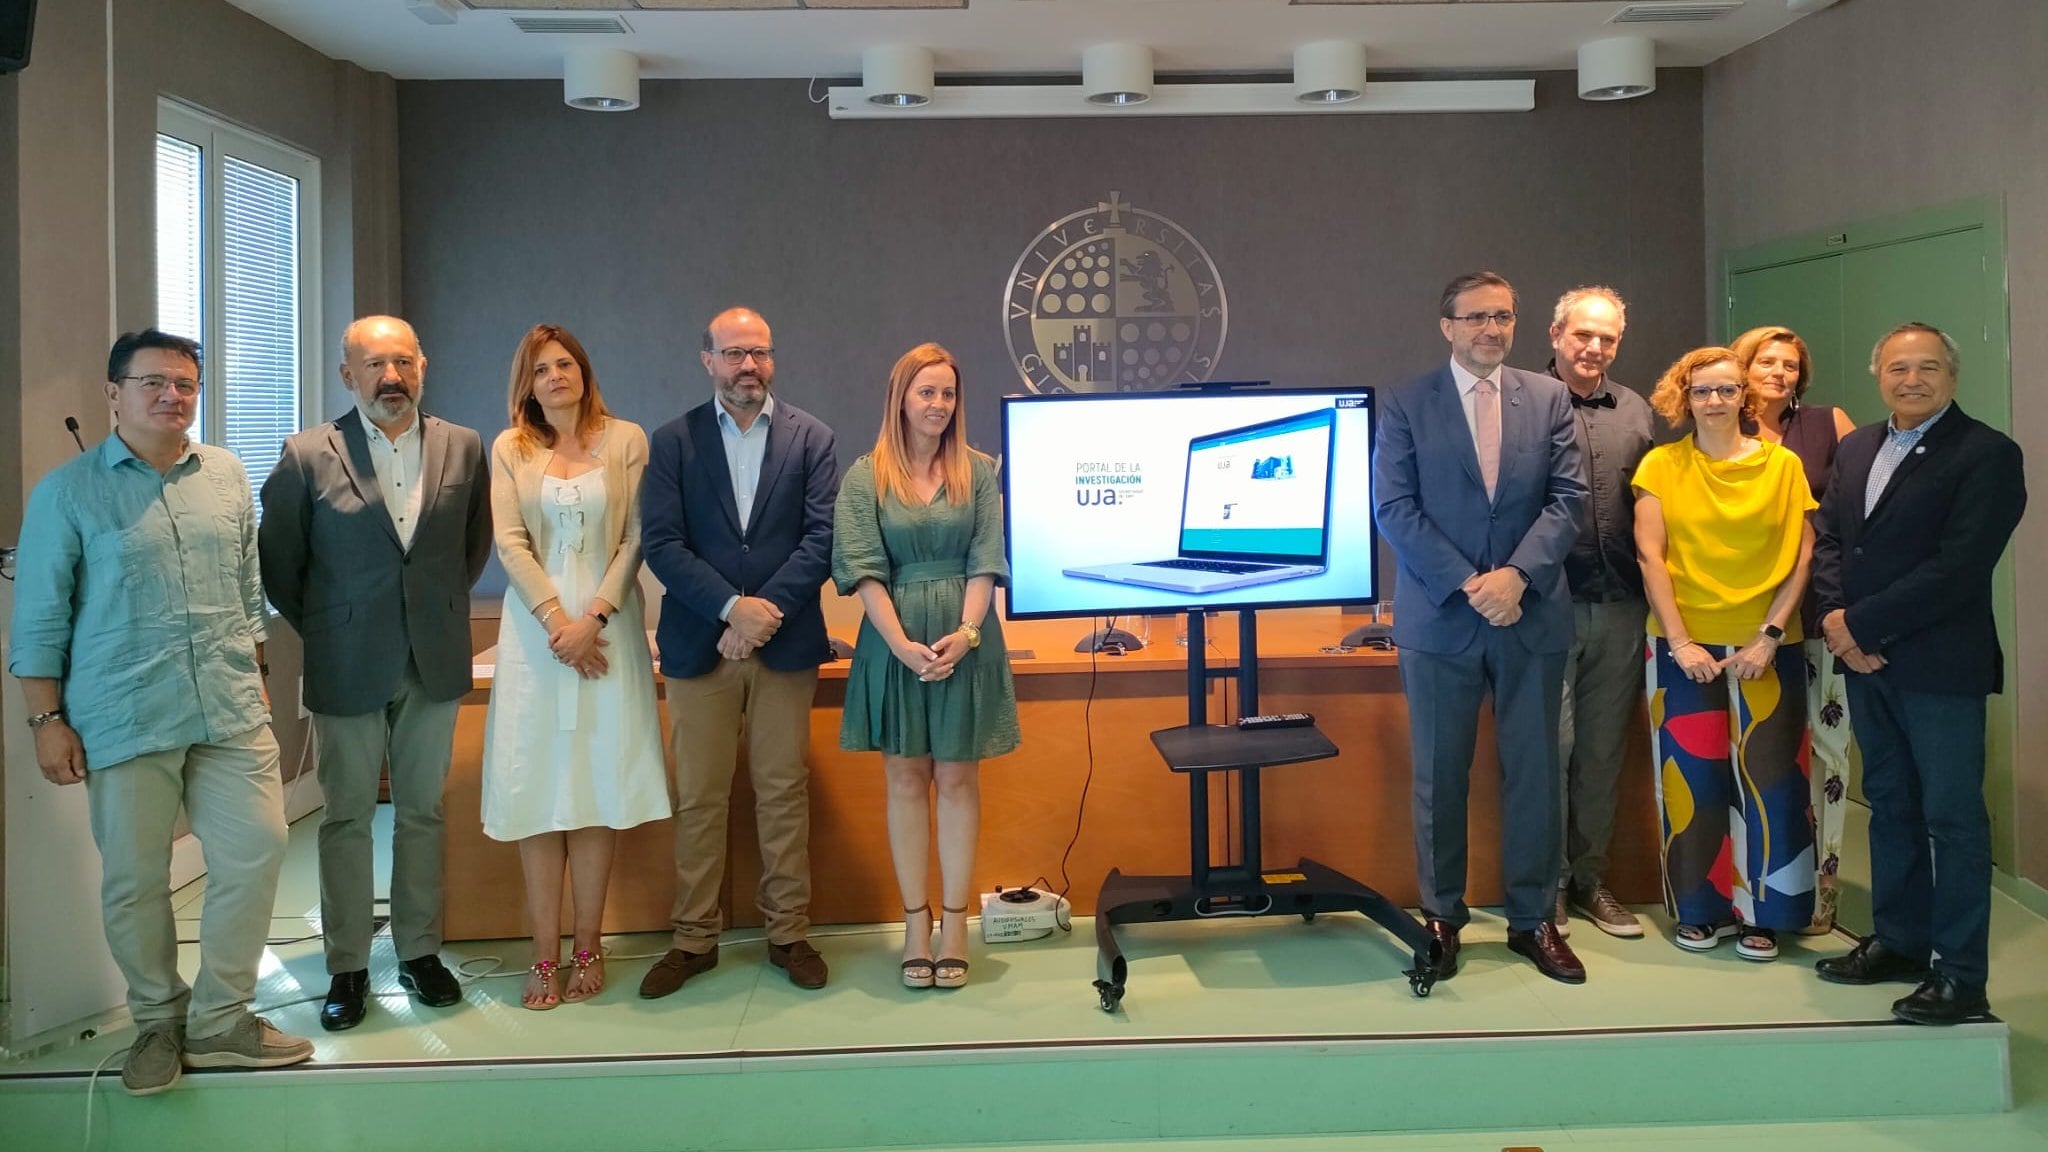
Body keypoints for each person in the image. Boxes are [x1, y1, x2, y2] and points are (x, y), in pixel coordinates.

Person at [8, 330, 311, 1095]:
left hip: (229, 706)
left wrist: (258, 674)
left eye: (185, 383)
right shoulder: (68, 492)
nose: (172, 396)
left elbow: (249, 593)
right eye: (153, 382)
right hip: (123, 712)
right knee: (136, 880)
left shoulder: (228, 477)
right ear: (113, 394)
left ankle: (220, 1019)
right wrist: (46, 722)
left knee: (257, 848)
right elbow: (39, 619)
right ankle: (155, 1020)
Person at [259, 315, 492, 1031]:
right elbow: (281, 567)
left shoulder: (463, 446)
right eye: (373, 365)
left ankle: (420, 954)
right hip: (345, 663)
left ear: (423, 366)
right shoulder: (306, 454)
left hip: (434, 659)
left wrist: (430, 613)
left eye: (403, 363)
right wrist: (337, 627)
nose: (391, 377)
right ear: (346, 375)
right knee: (347, 818)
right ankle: (348, 968)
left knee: (422, 812)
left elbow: (471, 547)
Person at [1374, 271, 1589, 985]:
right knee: (1439, 776)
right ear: (1447, 326)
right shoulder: (1408, 402)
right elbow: (1395, 508)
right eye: (1475, 318)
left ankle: (1533, 922)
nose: (1490, 330)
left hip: (1531, 616)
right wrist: (1473, 583)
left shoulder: (1551, 396)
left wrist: (1517, 577)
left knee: (1535, 775)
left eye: (1502, 317)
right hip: (1442, 618)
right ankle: (1442, 917)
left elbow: (1568, 500)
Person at [1812, 323, 2024, 1025]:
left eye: (1927, 367)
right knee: (1892, 804)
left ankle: (1961, 976)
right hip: (1866, 663)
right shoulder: (1858, 446)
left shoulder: (1987, 454)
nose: (1912, 379)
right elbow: (1835, 542)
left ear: (1952, 376)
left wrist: (1860, 627)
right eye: (1899, 368)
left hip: (1939, 668)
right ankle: (1900, 942)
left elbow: (1959, 568)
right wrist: (1839, 625)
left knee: (1952, 819)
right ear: (1880, 375)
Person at [638, 306, 839, 997]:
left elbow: (821, 539)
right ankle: (694, 938)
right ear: (707, 360)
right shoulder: (674, 442)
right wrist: (731, 609)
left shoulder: (812, 438)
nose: (746, 365)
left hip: (785, 646)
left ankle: (789, 932)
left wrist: (764, 614)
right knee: (699, 797)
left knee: (783, 794)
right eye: (732, 353)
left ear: (772, 359)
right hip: (701, 643)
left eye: (758, 351)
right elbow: (662, 544)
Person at [481, 324, 670, 1009]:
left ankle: (589, 946)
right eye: (540, 370)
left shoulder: (627, 440)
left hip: (607, 630)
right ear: (526, 385)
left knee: (595, 788)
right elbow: (509, 541)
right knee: (539, 794)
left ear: (584, 372)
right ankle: (542, 955)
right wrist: (557, 622)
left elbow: (637, 538)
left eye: (565, 364)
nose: (555, 376)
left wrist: (592, 619)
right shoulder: (510, 448)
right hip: (536, 638)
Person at [833, 343, 1020, 990]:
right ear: (901, 398)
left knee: (959, 780)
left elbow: (986, 560)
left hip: (966, 640)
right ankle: (916, 924)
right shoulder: (865, 476)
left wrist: (967, 635)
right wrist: (902, 645)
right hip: (894, 643)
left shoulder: (981, 472)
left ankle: (956, 923)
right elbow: (862, 571)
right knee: (906, 779)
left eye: (948, 394)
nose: (938, 405)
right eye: (926, 392)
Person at [1632, 346, 1816, 962]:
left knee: (1771, 781)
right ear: (1685, 397)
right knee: (1691, 780)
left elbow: (1801, 556)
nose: (1715, 401)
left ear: (1747, 397)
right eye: (1703, 391)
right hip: (1681, 644)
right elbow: (1649, 556)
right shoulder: (1660, 466)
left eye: (1728, 390)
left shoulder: (1784, 465)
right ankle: (1700, 909)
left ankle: (1768, 913)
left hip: (1768, 645)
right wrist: (1681, 641)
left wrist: (1768, 634)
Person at [1731, 325, 1859, 936]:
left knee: (1830, 754)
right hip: (1749, 621)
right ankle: (1766, 883)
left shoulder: (1829, 423)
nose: (1779, 372)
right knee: (1767, 757)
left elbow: (1860, 505)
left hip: (1823, 613)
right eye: (1766, 361)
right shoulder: (1723, 423)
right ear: (1743, 367)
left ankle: (1824, 887)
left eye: (1790, 364)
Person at [1546, 286, 1655, 940]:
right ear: (1556, 333)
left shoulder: (1637, 410)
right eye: (1582, 334)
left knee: (1601, 754)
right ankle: (1548, 885)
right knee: (1550, 752)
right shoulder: (1522, 404)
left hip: (1620, 609)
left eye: (1607, 339)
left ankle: (1591, 881)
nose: (1593, 348)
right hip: (1546, 610)